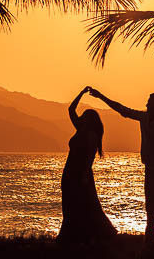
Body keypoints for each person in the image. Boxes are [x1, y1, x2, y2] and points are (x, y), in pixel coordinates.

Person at [89, 88, 154, 242]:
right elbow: (122, 109)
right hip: (149, 168)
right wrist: (100, 96)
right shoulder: (143, 117)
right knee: (150, 207)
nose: (146, 104)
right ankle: (150, 240)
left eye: (149, 102)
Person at [57, 86, 117, 244]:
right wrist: (81, 93)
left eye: (84, 116)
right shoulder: (80, 129)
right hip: (70, 171)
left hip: (80, 173)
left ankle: (86, 235)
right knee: (69, 202)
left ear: (89, 120)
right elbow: (71, 109)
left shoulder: (91, 135)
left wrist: (84, 176)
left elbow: (88, 159)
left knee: (85, 204)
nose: (81, 118)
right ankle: (71, 234)